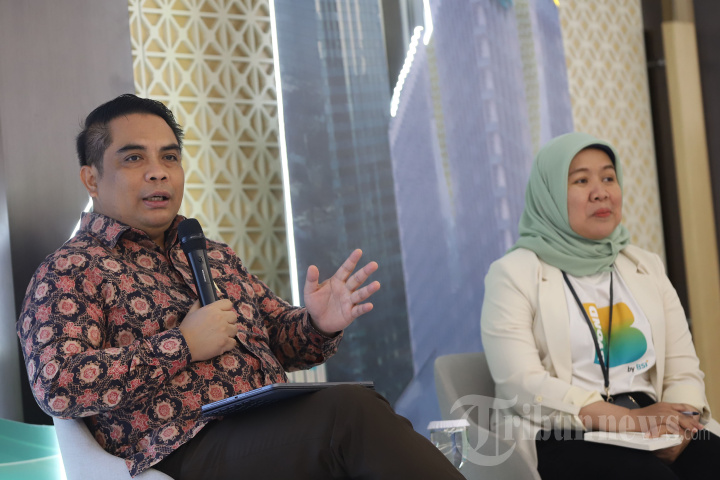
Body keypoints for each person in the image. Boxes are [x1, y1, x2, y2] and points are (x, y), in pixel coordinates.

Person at [16, 94, 463, 479]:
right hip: (183, 450)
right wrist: (182, 345)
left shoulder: (210, 253)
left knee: (359, 413)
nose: (158, 172)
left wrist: (317, 323)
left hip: (270, 429)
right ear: (91, 179)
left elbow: (282, 343)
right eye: (134, 158)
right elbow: (58, 385)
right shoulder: (70, 269)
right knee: (350, 413)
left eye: (169, 157)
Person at [480, 132, 720, 479]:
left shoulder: (645, 266)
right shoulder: (513, 273)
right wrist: (629, 421)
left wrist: (681, 428)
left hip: (653, 420)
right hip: (568, 430)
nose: (601, 191)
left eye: (608, 178)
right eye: (581, 180)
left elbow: (682, 370)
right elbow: (521, 384)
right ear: (549, 195)